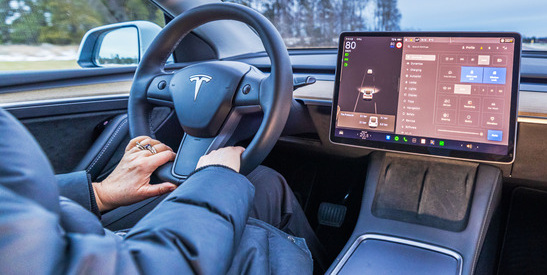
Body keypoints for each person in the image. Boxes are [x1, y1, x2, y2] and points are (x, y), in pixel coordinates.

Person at [0, 108, 319, 274]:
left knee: (261, 181)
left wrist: (99, 193)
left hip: (85, 246)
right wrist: (218, 177)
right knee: (262, 186)